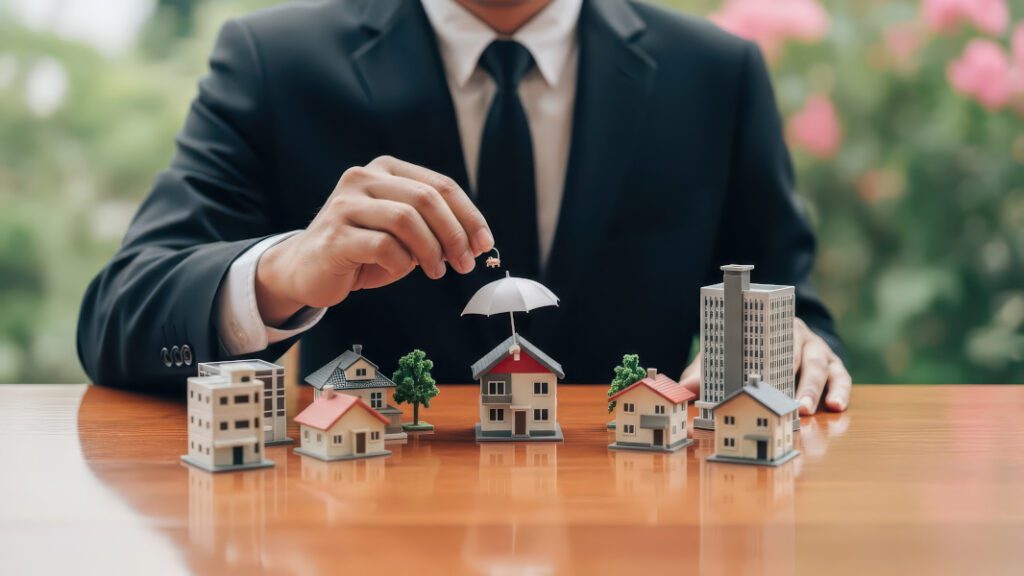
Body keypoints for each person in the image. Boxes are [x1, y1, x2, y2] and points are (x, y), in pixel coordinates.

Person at [77, 0, 852, 415]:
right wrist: (283, 272)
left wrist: (792, 345)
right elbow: (118, 314)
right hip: (363, 535)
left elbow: (792, 308)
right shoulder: (273, 63)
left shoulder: (715, 74)